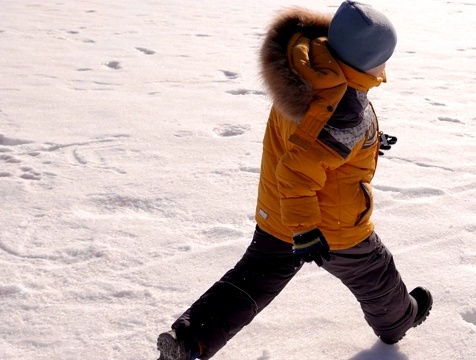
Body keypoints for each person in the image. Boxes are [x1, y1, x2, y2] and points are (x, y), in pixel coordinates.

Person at [157, 2, 432, 359]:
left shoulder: (307, 74)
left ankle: (190, 341)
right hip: (330, 226)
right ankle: (399, 320)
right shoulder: (346, 114)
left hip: (279, 210)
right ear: (363, 62)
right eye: (383, 60)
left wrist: (369, 141)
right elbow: (301, 168)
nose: (384, 68)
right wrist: (305, 229)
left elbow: (309, 144)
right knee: (376, 276)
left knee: (251, 282)